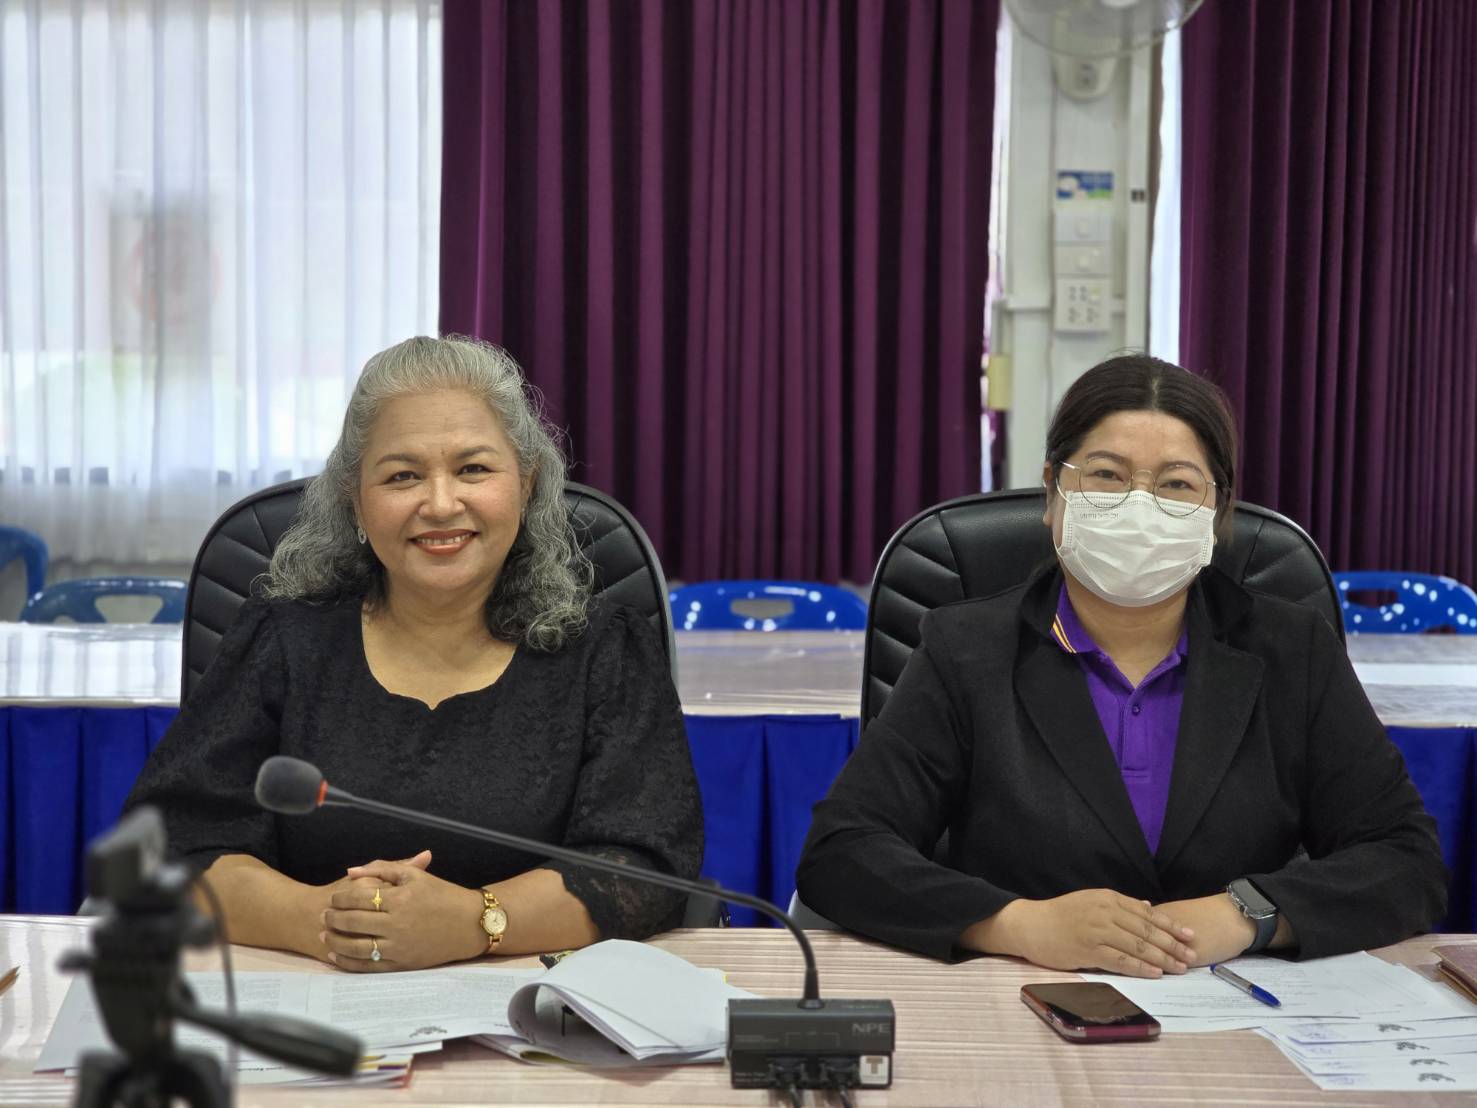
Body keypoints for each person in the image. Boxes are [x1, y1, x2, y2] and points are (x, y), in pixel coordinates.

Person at [796, 354, 1446, 974]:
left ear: (1215, 512)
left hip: (1242, 1002)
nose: (1139, 506)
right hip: (1022, 991)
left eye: (1176, 484)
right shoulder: (967, 649)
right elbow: (843, 851)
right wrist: (1017, 925)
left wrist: (1246, 913)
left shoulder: (1290, 649)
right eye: (1106, 475)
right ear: (1053, 493)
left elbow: (1404, 859)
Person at [125, 335, 703, 971]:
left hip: (535, 1007)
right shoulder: (283, 637)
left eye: (473, 469)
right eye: (402, 476)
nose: (441, 504)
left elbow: (643, 868)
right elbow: (174, 844)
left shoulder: (605, 647)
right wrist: (330, 921)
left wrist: (476, 921)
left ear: (526, 482)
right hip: (309, 993)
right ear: (356, 499)